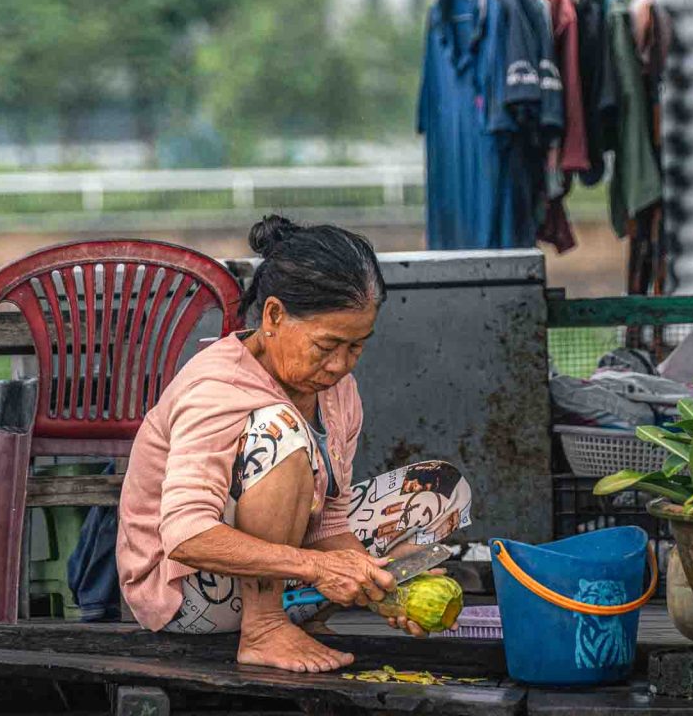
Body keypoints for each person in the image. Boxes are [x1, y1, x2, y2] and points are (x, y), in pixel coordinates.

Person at [115, 216, 468, 672]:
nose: (341, 364)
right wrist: (320, 569)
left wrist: (381, 585)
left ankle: (299, 621)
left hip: (281, 577)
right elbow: (185, 536)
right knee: (278, 429)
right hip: (190, 598)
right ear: (274, 316)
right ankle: (264, 629)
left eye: (356, 347)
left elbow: (329, 521)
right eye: (327, 346)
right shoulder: (215, 385)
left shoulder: (337, 391)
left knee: (440, 490)